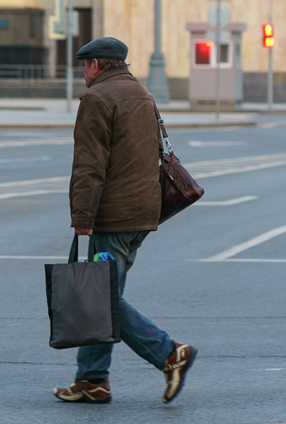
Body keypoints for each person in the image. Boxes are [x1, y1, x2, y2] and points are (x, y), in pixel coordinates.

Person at [54, 36, 197, 406]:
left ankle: (168, 353)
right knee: (103, 295)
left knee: (101, 300)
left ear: (96, 65)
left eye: (84, 66)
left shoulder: (97, 99)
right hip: (143, 214)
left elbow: (89, 165)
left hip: (112, 218)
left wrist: (82, 218)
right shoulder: (141, 93)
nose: (83, 74)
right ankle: (92, 380)